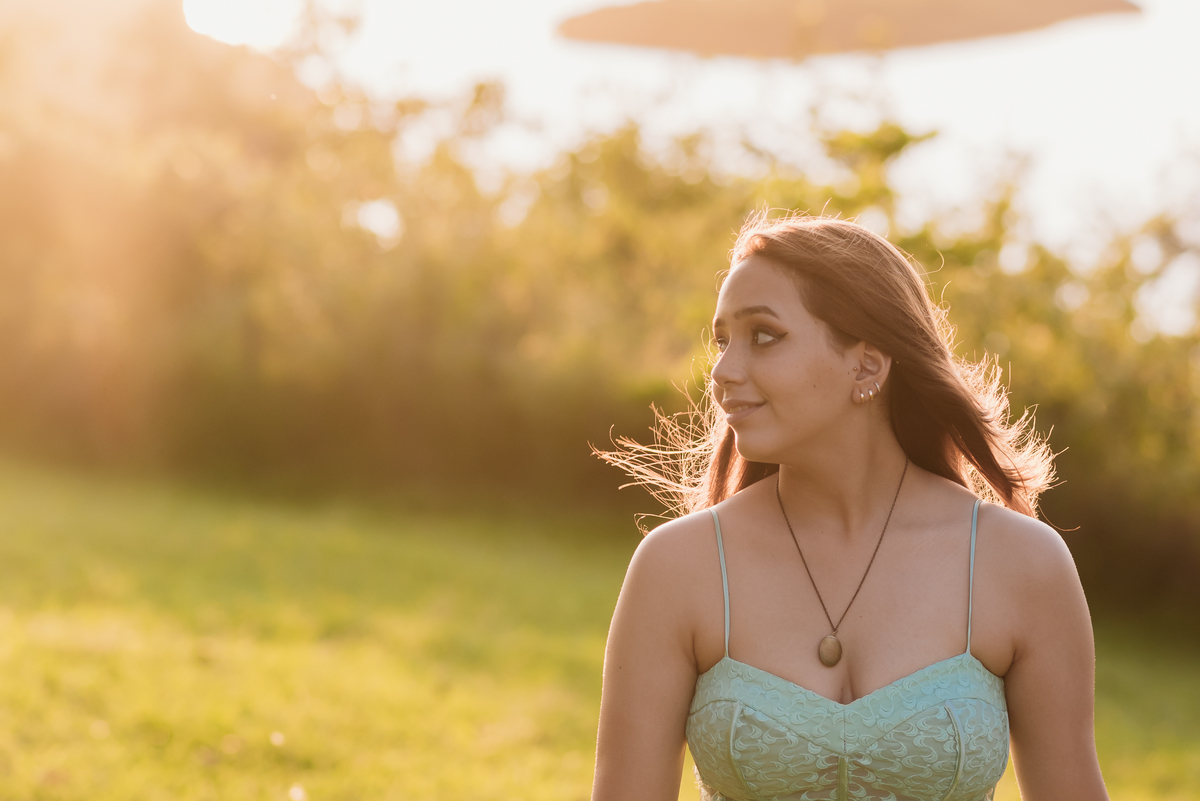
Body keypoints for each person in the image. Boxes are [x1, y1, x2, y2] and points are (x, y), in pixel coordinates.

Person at [591, 214, 1109, 801]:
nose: (723, 372)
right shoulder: (678, 566)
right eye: (722, 340)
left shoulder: (1021, 563)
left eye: (763, 335)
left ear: (866, 365)